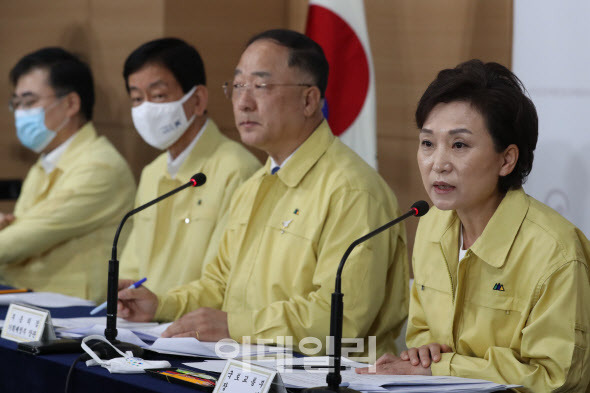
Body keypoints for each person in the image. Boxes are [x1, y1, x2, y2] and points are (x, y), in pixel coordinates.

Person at [118, 29, 409, 358]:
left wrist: (236, 327)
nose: (243, 102)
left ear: (309, 100)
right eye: (238, 86)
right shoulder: (254, 186)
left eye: (261, 86)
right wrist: (161, 303)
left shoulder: (352, 190)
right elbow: (218, 286)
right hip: (245, 369)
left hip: (322, 377)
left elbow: (341, 318)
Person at [356, 60, 590, 392]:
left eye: (459, 145)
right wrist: (424, 354)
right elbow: (422, 334)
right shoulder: (432, 225)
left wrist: (444, 367)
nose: (438, 163)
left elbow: (558, 378)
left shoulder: (556, 252)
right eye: (427, 143)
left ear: (506, 160)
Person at [118, 38, 260, 296]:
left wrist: (162, 305)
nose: (146, 109)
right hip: (143, 324)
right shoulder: (152, 172)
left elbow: (222, 279)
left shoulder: (237, 170)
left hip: (195, 328)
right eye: (137, 98)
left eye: (159, 95)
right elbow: (131, 266)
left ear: (197, 100)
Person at [0, 47, 135, 302]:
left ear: (71, 103)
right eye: (16, 103)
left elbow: (26, 237)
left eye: (29, 102)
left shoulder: (99, 166)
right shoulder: (47, 160)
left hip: (71, 312)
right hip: (27, 297)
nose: (20, 113)